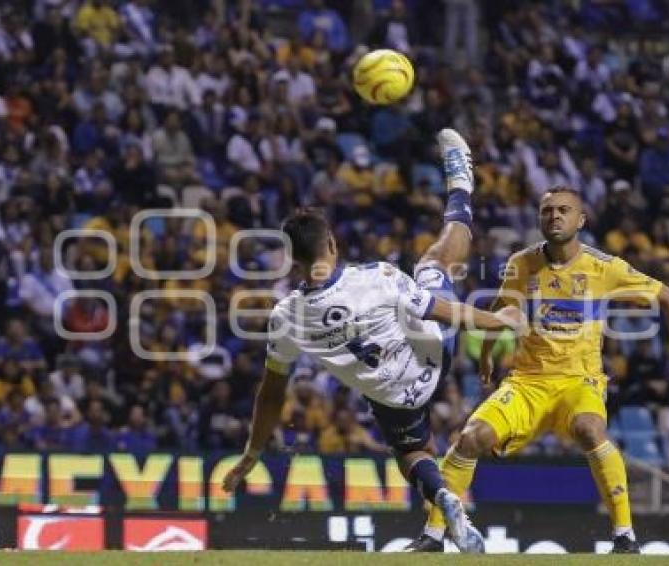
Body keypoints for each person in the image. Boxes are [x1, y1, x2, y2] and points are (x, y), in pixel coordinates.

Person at [221, 129, 525, 553]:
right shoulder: (377, 278)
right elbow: (446, 312)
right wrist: (497, 320)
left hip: (394, 396)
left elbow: (271, 394)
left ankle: (442, 499)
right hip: (432, 354)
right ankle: (461, 187)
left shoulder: (285, 317)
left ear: (294, 259)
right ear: (331, 243)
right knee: (433, 263)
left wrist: (252, 454)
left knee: (411, 452)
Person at [411, 186, 669, 553]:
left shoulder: (604, 268)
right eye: (548, 211)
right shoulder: (521, 263)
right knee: (470, 438)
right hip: (528, 383)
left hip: (581, 382)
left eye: (564, 210)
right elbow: (501, 308)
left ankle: (625, 537)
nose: (555, 216)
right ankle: (434, 535)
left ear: (581, 220)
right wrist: (486, 354)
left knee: (589, 428)